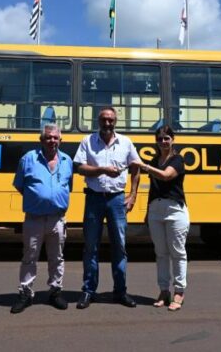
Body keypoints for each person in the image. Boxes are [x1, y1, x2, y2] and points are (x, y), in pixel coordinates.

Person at [73, 106, 140, 309]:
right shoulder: (88, 141)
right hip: (94, 199)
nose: (107, 123)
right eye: (104, 120)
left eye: (111, 120)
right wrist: (101, 170)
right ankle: (88, 291)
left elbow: (136, 167)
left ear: (115, 122)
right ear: (98, 121)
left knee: (119, 246)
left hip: (117, 200)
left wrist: (133, 194)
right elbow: (80, 167)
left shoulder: (126, 143)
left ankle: (120, 292)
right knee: (90, 246)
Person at [10, 123, 73, 314]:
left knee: (57, 257)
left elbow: (67, 186)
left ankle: (55, 291)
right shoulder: (28, 159)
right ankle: (26, 293)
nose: (52, 140)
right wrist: (38, 199)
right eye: (48, 137)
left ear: (60, 140)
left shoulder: (67, 160)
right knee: (30, 256)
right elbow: (20, 185)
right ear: (41, 140)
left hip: (57, 218)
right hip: (34, 218)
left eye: (55, 137)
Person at [132, 125, 189, 311]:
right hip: (156, 210)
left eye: (166, 138)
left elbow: (166, 176)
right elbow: (154, 188)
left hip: (175, 210)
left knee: (178, 253)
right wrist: (148, 213)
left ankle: (179, 292)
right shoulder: (155, 159)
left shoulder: (178, 160)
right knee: (161, 253)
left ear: (173, 140)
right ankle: (164, 291)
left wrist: (145, 166)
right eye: (160, 139)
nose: (163, 142)